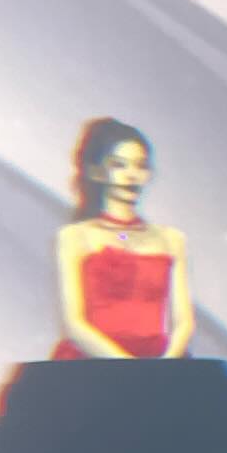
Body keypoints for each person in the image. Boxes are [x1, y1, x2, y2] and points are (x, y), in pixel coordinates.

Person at [52, 119, 194, 360]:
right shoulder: (75, 237)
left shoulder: (171, 239)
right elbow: (74, 323)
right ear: (97, 172)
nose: (131, 175)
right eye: (119, 165)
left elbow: (184, 321)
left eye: (140, 166)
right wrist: (127, 368)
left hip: (159, 363)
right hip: (95, 363)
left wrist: (165, 366)